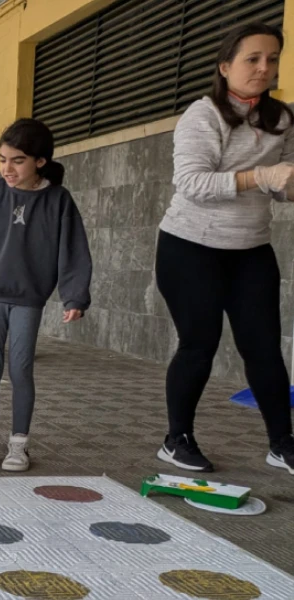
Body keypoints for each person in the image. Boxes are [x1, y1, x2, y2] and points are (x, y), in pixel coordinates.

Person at [155, 22, 294, 475]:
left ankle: (282, 443)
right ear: (225, 65)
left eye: (272, 58)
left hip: (251, 248)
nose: (264, 67)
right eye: (252, 58)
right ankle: (177, 439)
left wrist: (286, 185)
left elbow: (282, 186)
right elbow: (191, 183)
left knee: (264, 348)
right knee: (200, 343)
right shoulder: (203, 114)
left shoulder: (283, 119)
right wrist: (261, 176)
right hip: (189, 247)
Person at [0, 118, 92, 472]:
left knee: (21, 369)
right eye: (1, 159)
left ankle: (18, 445)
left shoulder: (58, 200)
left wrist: (75, 297)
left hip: (29, 298)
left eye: (17, 160)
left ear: (39, 161)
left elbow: (73, 251)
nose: (6, 169)